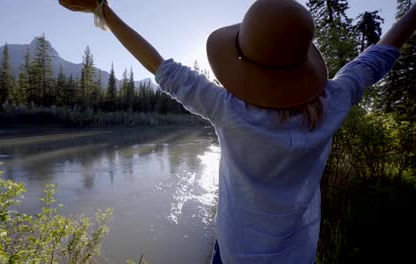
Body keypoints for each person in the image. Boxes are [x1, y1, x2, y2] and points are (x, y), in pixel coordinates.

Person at [59, 0, 416, 263]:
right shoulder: (335, 100)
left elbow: (158, 65)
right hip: (298, 256)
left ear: (243, 59)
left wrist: (103, 11)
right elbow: (383, 52)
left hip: (233, 255)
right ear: (303, 61)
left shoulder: (227, 110)